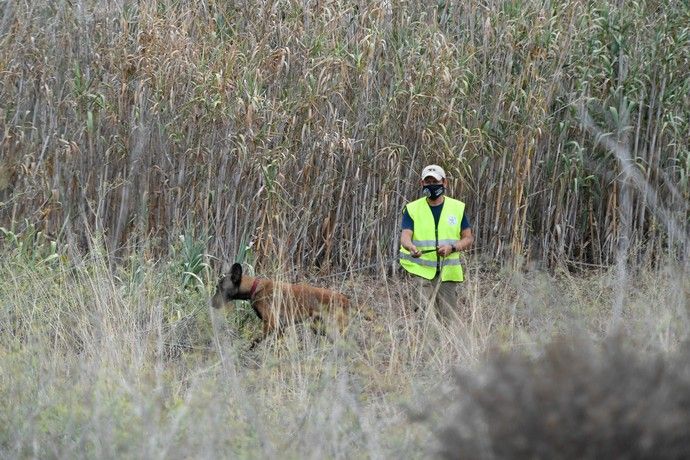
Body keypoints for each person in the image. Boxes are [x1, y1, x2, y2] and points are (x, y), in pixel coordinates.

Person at [399, 164, 474, 322]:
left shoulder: (457, 208)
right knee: (423, 317)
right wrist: (411, 247)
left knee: (448, 320)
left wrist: (452, 248)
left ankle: (446, 346)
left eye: (435, 181)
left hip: (448, 273)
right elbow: (405, 236)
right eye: (428, 181)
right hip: (421, 271)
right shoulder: (412, 209)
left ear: (444, 183)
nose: (432, 185)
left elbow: (468, 238)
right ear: (422, 183)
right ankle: (423, 346)